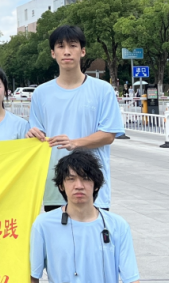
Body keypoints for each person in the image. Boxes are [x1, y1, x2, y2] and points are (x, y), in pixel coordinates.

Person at [27, 25, 124, 212]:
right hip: (56, 187)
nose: (67, 52)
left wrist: (74, 143)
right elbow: (38, 134)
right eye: (60, 46)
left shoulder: (102, 90)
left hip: (91, 185)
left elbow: (108, 134)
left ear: (83, 51)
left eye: (72, 46)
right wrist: (32, 135)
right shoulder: (41, 93)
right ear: (53, 53)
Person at [30, 150, 141, 283]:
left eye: (86, 179)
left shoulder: (117, 225)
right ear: (61, 185)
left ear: (96, 185)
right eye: (71, 179)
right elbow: (32, 278)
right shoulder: (43, 224)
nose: (79, 186)